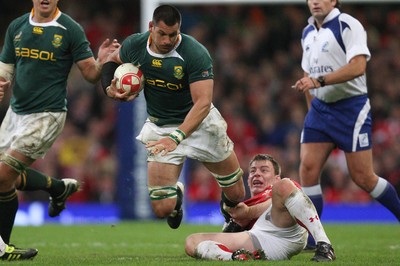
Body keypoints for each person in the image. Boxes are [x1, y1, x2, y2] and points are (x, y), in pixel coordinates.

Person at [101, 4, 245, 229]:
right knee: (162, 209)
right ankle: (176, 200)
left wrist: (177, 137)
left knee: (237, 193)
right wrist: (108, 88)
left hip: (201, 124)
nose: (168, 40)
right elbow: (111, 60)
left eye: (173, 34)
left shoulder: (194, 53)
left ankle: (229, 212)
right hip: (161, 127)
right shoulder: (135, 45)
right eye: (162, 34)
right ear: (151, 28)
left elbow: (203, 103)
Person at [0, 0, 119, 259]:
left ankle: (2, 247)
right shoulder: (17, 26)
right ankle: (56, 187)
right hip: (15, 113)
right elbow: (6, 67)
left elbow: (90, 74)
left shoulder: (69, 29)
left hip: (47, 115)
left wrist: (101, 62)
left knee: (3, 174)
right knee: (3, 178)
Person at [293, 0, 400, 249]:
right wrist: (312, 112)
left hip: (350, 108)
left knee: (363, 177)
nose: (316, 1)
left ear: (334, 1)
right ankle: (313, 238)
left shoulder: (348, 25)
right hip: (320, 110)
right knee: (307, 169)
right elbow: (308, 77)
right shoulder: (307, 32)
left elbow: (358, 66)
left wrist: (319, 81)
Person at [185, 154, 336, 262]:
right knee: (192, 241)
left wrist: (248, 213)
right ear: (248, 180)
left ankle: (324, 244)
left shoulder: (281, 188)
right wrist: (233, 223)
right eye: (253, 171)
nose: (257, 174)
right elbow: (226, 236)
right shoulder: (242, 207)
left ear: (275, 177)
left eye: (264, 170)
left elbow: (276, 200)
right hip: (260, 241)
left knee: (284, 187)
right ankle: (236, 258)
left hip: (284, 232)